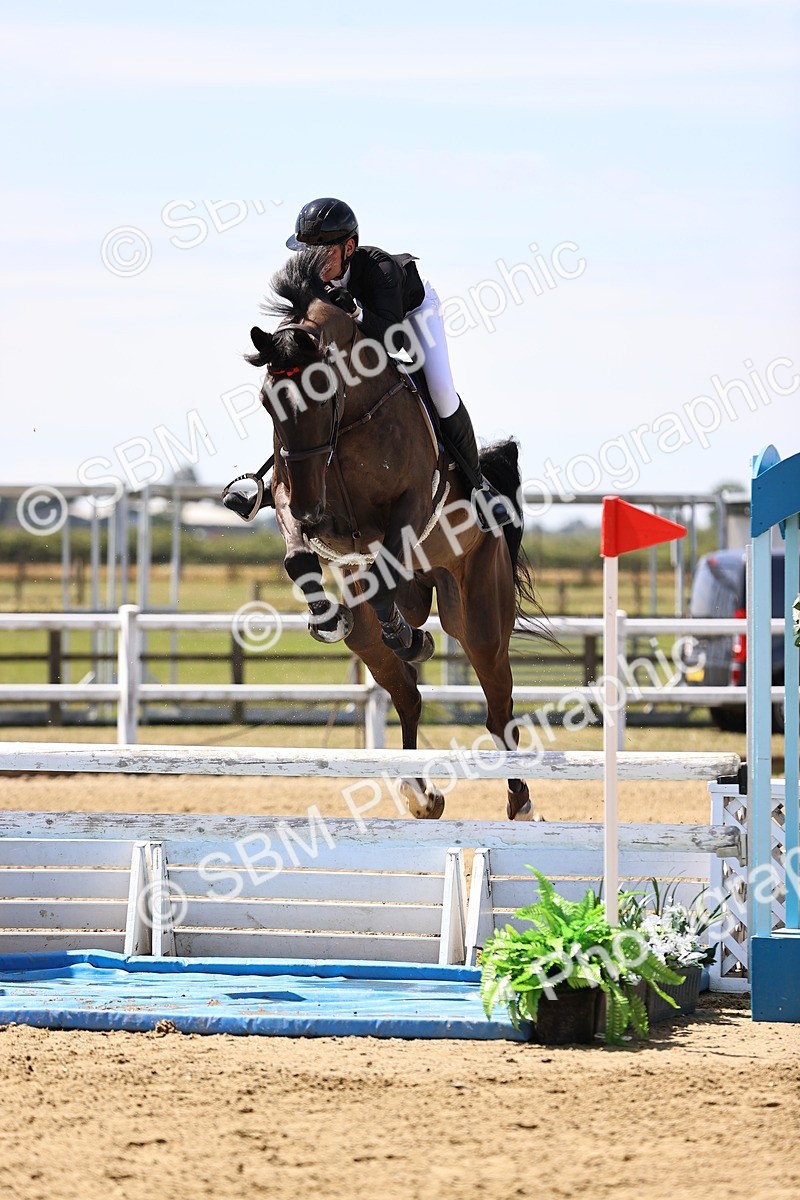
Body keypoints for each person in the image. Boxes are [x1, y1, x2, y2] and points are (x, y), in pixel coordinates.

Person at [236, 197, 515, 530]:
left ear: (349, 247)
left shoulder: (380, 270)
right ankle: (274, 483)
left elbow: (393, 341)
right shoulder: (308, 279)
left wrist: (356, 311)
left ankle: (479, 488)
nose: (312, 260)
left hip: (410, 316)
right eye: (306, 251)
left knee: (441, 390)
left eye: (322, 251)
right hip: (362, 331)